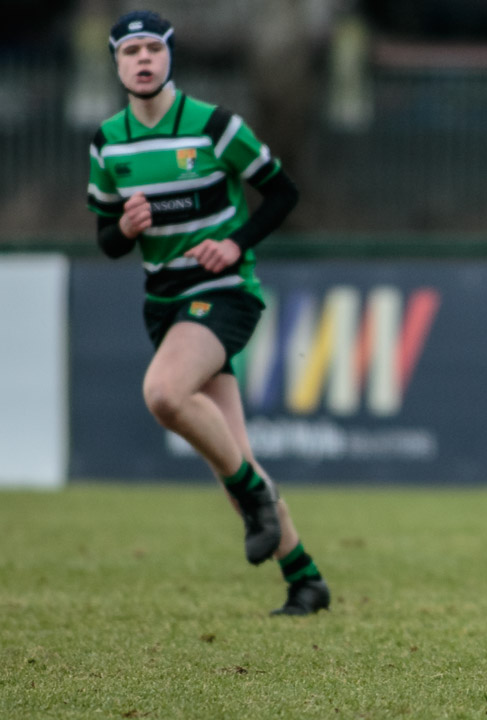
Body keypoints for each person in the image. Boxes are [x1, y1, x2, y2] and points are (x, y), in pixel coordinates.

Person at [86, 10, 328, 615]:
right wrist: (123, 225)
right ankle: (305, 579)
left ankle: (257, 498)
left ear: (170, 57)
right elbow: (106, 240)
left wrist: (235, 244)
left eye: (152, 49)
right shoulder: (107, 142)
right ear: (116, 63)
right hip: (163, 304)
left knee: (165, 393)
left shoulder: (214, 127)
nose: (142, 60)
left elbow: (282, 192)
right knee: (232, 457)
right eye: (130, 51)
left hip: (223, 292)